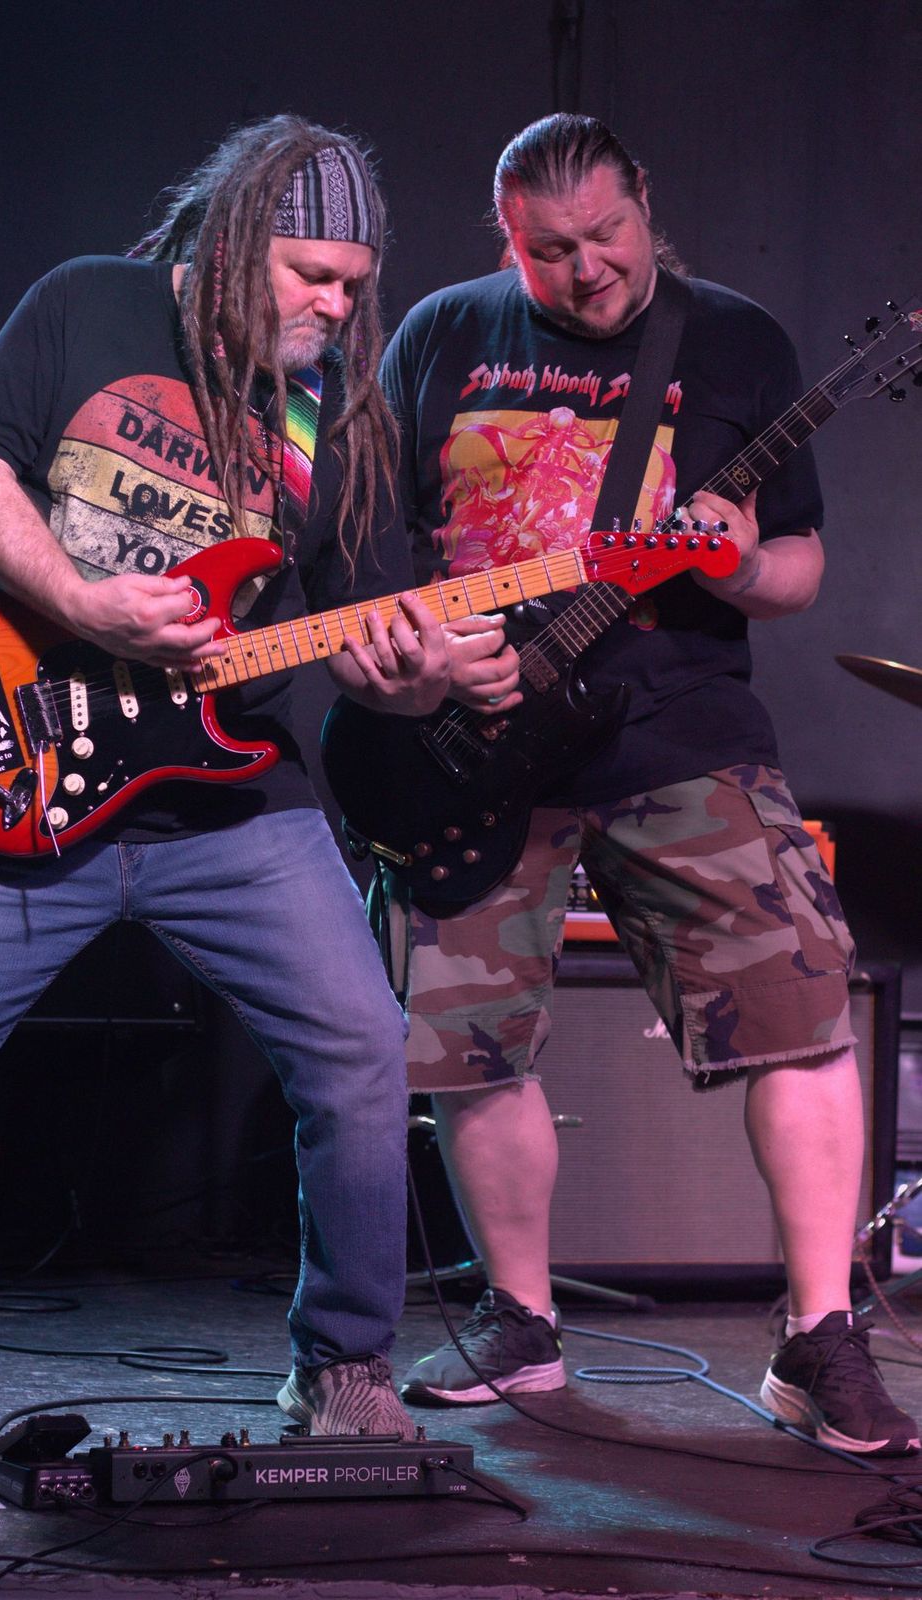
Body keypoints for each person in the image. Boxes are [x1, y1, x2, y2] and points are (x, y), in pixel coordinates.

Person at [0, 116, 451, 1441]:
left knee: (363, 1053)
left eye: (353, 283)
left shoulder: (341, 420)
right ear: (233, 244)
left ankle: (345, 1366)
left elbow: (365, 649)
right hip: (33, 765)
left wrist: (420, 673)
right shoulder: (87, 304)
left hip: (234, 805)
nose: (336, 305)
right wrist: (85, 602)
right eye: (311, 275)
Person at [376, 113, 919, 1456]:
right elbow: (375, 545)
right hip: (476, 742)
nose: (590, 269)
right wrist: (423, 660)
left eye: (608, 235)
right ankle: (520, 1324)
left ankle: (818, 1337)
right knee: (470, 1041)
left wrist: (735, 562)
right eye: (552, 250)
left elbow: (797, 567)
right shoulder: (440, 335)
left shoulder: (733, 339)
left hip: (680, 730)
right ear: (507, 239)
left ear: (643, 206)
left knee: (802, 1014)